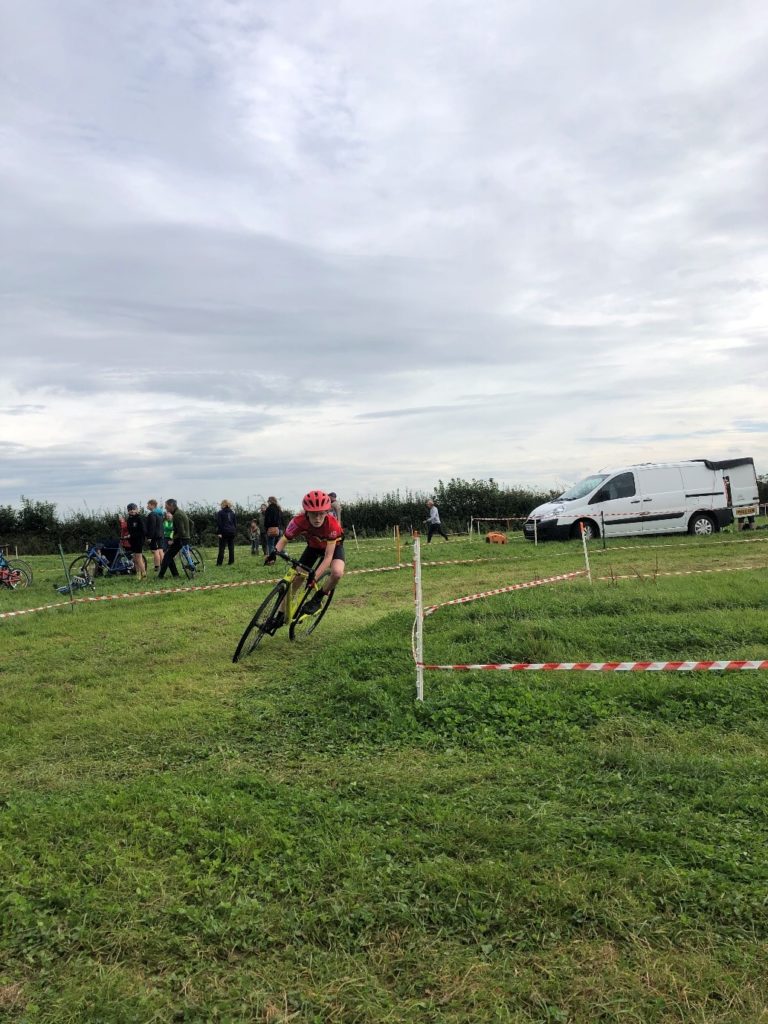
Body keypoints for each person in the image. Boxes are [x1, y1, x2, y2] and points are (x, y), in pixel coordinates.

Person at [266, 490, 344, 624]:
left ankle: (318, 598)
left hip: (333, 547)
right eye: (314, 514)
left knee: (337, 573)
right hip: (313, 547)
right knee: (296, 580)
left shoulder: (332, 525)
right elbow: (284, 539)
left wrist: (314, 577)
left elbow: (327, 557)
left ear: (327, 512)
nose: (318, 518)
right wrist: (274, 553)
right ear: (307, 512)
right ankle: (280, 614)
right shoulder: (298, 521)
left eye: (321, 514)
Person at [158, 499, 191, 579]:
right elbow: (191, 523)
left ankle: (160, 576)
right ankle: (175, 575)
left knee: (167, 556)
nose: (166, 509)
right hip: (185, 538)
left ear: (172, 506)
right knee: (169, 556)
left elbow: (181, 532)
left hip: (181, 539)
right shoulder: (181, 512)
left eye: (167, 507)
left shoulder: (177, 515)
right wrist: (189, 534)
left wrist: (173, 539)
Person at [125, 503, 147, 579]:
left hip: (139, 540)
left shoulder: (140, 518)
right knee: (134, 559)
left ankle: (144, 575)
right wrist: (129, 536)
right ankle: (138, 575)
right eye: (130, 510)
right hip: (132, 541)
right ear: (128, 511)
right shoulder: (129, 519)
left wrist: (132, 535)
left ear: (137, 509)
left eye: (133, 509)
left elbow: (143, 531)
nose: (132, 511)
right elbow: (130, 531)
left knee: (139, 558)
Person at [145, 499, 165, 571]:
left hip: (155, 536)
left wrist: (150, 537)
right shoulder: (160, 513)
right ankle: (163, 565)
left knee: (155, 551)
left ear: (152, 505)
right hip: (160, 534)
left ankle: (157, 566)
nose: (147, 506)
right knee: (160, 550)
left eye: (148, 504)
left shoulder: (152, 514)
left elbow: (152, 526)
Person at [215, 499, 237, 566]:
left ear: (223, 504)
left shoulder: (220, 513)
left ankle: (219, 563)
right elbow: (235, 523)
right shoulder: (232, 513)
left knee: (222, 548)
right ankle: (231, 562)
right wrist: (234, 531)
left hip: (224, 532)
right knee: (231, 548)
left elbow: (219, 524)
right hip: (232, 532)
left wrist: (219, 533)